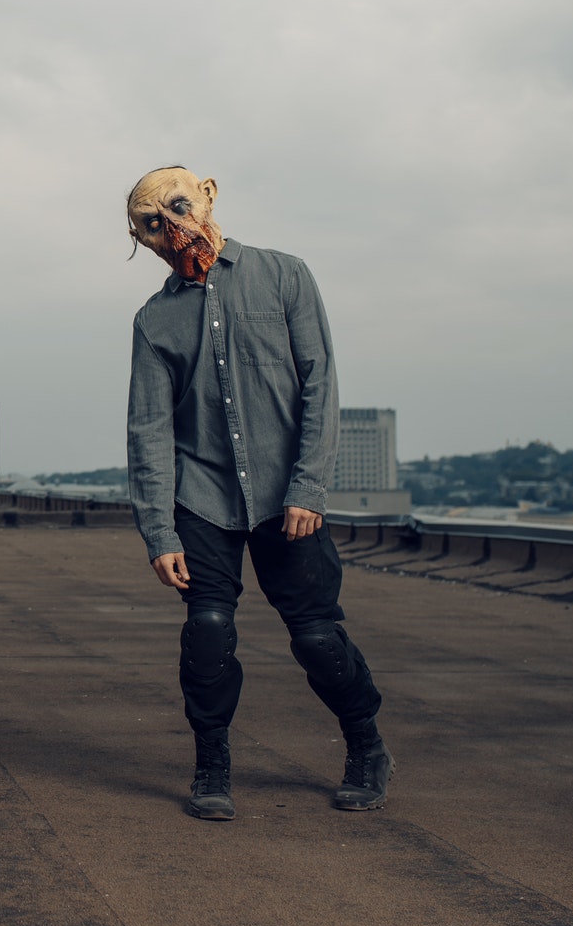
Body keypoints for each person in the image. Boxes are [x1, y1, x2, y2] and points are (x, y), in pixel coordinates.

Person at [124, 166, 390, 821]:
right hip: (202, 499)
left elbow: (319, 383)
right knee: (208, 631)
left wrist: (309, 485)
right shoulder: (154, 321)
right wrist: (159, 530)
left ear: (210, 193)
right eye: (149, 223)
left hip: (286, 499)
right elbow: (150, 430)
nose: (169, 227)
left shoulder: (286, 275)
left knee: (317, 636)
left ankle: (367, 745)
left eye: (176, 206)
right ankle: (211, 765)